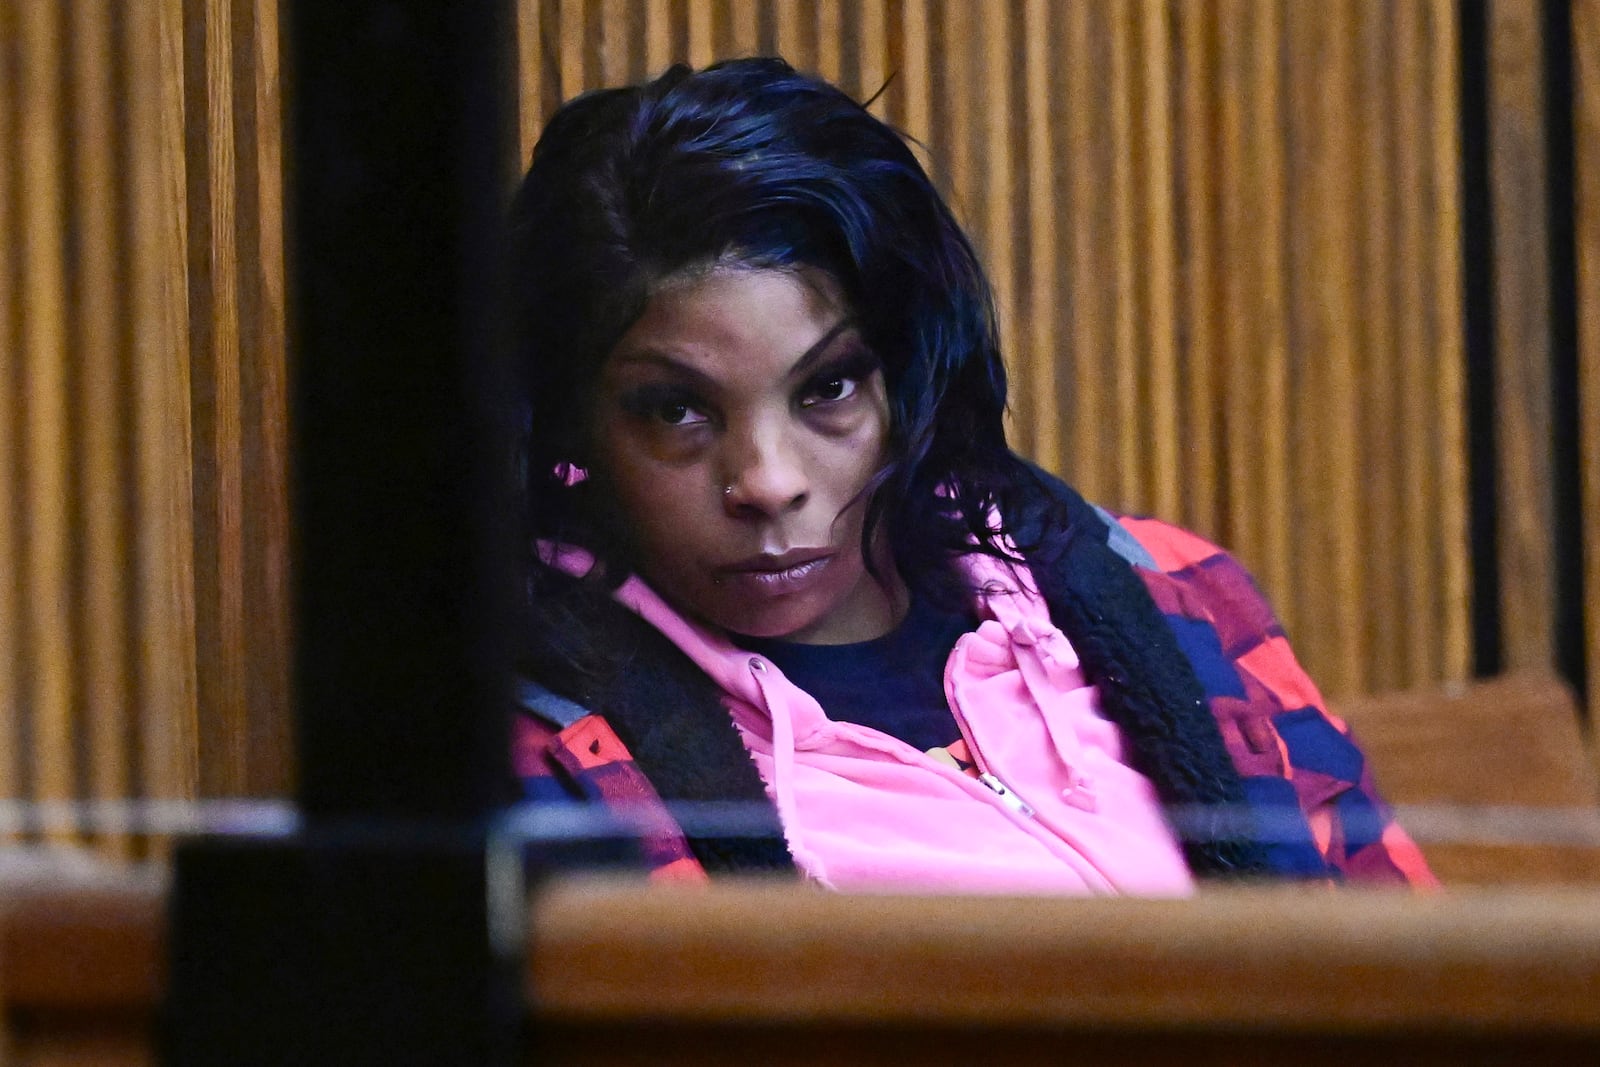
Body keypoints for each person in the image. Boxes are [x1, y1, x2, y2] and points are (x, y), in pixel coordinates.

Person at [506, 57, 1435, 892]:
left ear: (907, 375)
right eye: (676, 410)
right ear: (573, 425)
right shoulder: (549, 749)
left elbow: (1412, 966)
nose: (769, 481)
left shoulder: (1167, 588)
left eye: (828, 387)